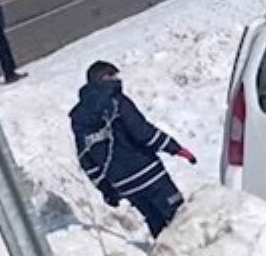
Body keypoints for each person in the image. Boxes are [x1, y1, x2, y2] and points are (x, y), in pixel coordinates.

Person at [70, 61, 196, 238]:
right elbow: (143, 133)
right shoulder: (117, 102)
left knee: (154, 220)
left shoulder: (78, 117)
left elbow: (86, 158)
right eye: (114, 76)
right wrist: (175, 148)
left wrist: (106, 188)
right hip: (149, 173)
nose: (118, 80)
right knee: (178, 216)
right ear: (104, 78)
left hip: (124, 184)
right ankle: (192, 254)